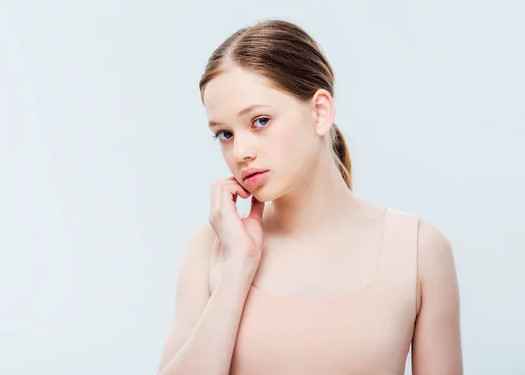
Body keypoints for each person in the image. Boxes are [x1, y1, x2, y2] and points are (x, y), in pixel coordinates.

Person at [156, 19, 463, 375]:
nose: (240, 152)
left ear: (320, 112)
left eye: (259, 121)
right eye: (224, 134)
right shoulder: (210, 248)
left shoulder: (419, 249)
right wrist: (238, 266)